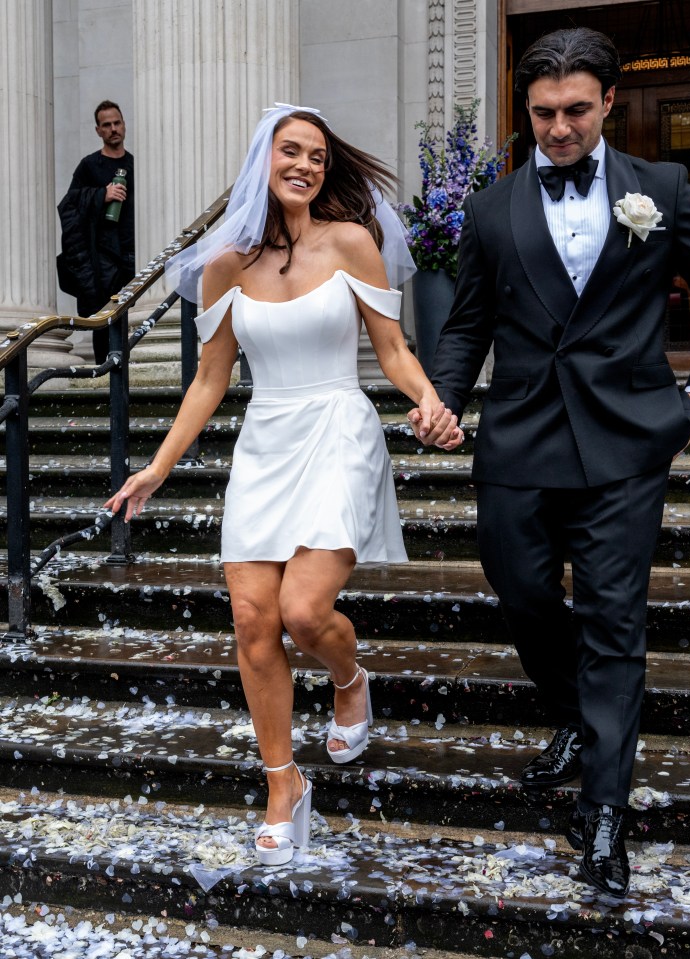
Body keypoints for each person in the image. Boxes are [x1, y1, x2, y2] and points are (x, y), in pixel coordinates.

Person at [413, 28, 690, 898]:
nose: (557, 129)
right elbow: (467, 324)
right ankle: (573, 709)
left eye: (573, 111)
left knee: (613, 618)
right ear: (524, 113)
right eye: (541, 114)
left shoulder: (664, 188)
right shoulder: (492, 210)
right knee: (518, 582)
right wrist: (443, 395)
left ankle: (604, 810)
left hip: (627, 440)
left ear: (606, 103)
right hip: (520, 437)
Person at [105, 103, 463, 867]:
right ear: (261, 160)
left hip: (338, 426)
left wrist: (429, 400)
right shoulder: (225, 266)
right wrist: (157, 467)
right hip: (266, 438)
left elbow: (392, 350)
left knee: (304, 611)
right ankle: (283, 785)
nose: (305, 165)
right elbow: (208, 380)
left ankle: (349, 674)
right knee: (249, 620)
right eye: (291, 151)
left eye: (318, 157)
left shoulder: (352, 243)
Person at [57, 100, 135, 364]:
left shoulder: (135, 164)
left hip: (132, 255)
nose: (113, 129)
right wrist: (102, 195)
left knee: (131, 319)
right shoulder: (89, 166)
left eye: (117, 123)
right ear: (98, 130)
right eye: (106, 125)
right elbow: (68, 205)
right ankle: (106, 374)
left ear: (124, 124)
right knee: (103, 320)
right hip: (100, 261)